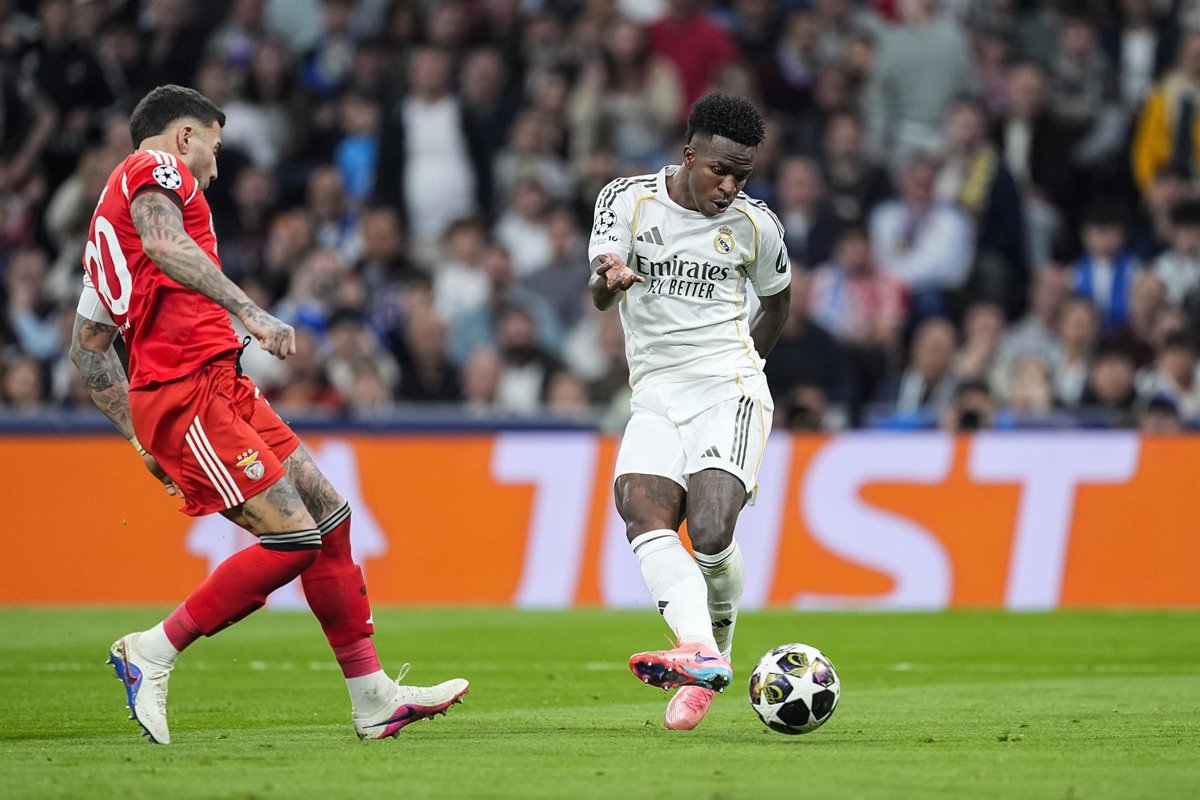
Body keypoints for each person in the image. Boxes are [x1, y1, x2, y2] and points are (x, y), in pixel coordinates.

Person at [69, 85, 467, 745]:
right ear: (186, 137)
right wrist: (249, 311)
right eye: (215, 149)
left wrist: (141, 440)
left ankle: (372, 698)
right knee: (293, 540)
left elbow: (88, 348)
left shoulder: (107, 229)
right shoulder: (154, 168)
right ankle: (152, 650)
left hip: (218, 384)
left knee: (331, 517)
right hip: (187, 389)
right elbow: (166, 244)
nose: (214, 171)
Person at [587, 93, 790, 731]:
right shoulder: (628, 200)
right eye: (719, 171)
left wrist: (744, 370)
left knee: (708, 530)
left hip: (727, 387)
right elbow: (598, 291)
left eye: (742, 176)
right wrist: (610, 277)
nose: (729, 187)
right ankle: (701, 651)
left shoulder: (757, 226)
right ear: (689, 155)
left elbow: (778, 304)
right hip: (654, 391)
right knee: (639, 508)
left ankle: (712, 651)